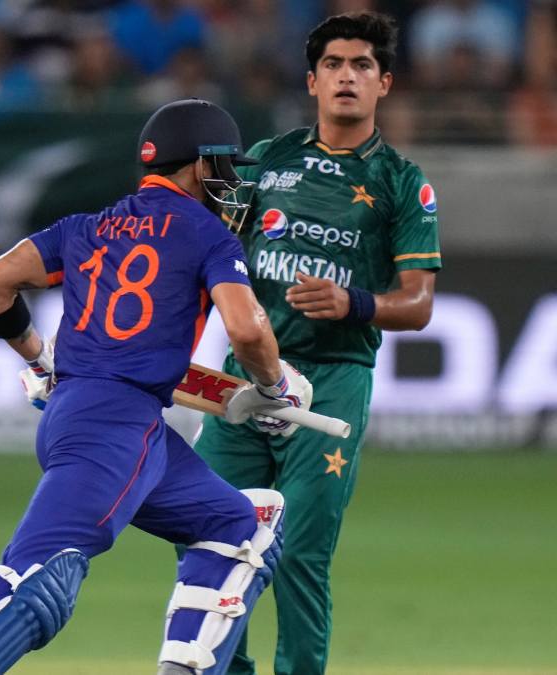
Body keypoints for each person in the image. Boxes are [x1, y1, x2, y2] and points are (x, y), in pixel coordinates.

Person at [0, 98, 315, 675]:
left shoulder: (85, 227)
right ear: (201, 165)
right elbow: (248, 330)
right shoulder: (208, 234)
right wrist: (276, 385)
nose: (229, 182)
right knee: (40, 580)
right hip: (117, 430)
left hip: (99, 421)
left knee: (242, 526)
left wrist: (41, 359)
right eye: (224, 167)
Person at [192, 12, 441, 675]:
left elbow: (418, 304)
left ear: (384, 83)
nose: (346, 77)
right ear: (312, 81)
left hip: (333, 379)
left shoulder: (401, 181)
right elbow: (209, 255)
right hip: (246, 376)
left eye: (362, 65)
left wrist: (353, 302)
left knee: (300, 553)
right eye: (333, 64)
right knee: (211, 537)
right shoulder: (266, 159)